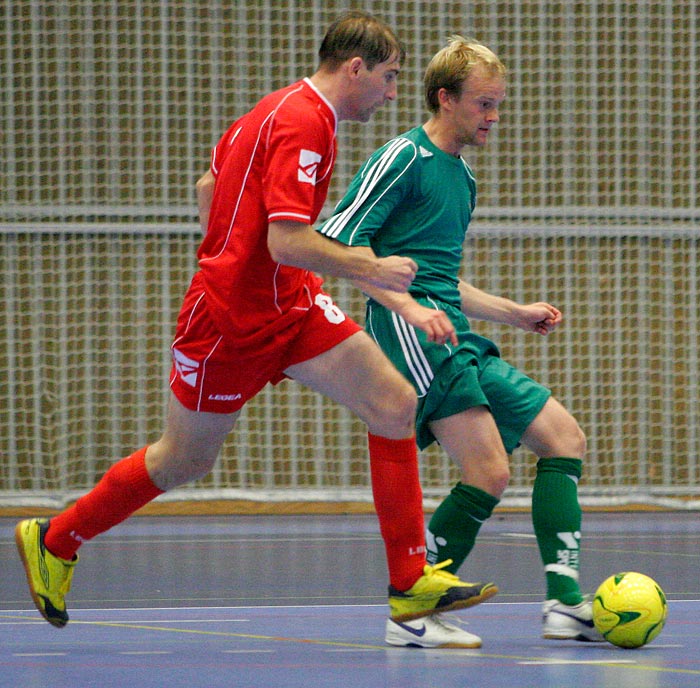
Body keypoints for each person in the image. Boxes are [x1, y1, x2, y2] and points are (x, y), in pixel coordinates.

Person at [15, 12, 497, 647]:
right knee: (182, 459)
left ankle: (409, 582)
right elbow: (287, 239)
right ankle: (55, 539)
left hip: (290, 308)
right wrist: (368, 266)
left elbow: (209, 185)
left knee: (394, 401)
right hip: (228, 327)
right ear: (354, 68)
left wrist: (230, 246)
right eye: (387, 78)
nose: (389, 93)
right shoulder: (307, 125)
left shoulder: (271, 110)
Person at [318, 35, 603, 645]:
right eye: (484, 104)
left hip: (453, 331)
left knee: (562, 437)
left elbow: (443, 277)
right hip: (408, 331)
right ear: (445, 99)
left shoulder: (463, 177)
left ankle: (564, 602)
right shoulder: (403, 158)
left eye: (499, 104)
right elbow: (339, 241)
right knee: (488, 469)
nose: (494, 118)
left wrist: (513, 312)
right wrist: (408, 308)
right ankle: (412, 612)